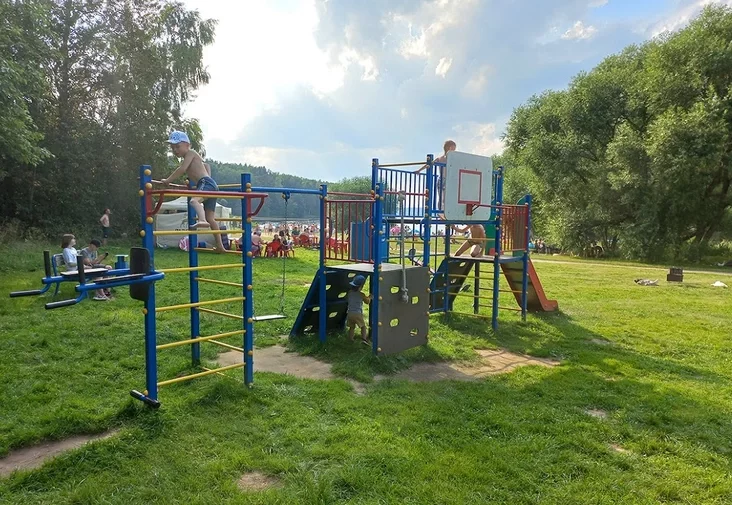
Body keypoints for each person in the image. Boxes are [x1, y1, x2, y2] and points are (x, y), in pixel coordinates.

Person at [161, 130, 226, 253]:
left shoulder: (190, 153)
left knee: (194, 201)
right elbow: (206, 165)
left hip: (206, 183)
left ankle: (202, 221)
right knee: (211, 218)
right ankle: (220, 246)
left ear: (187, 145)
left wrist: (168, 180)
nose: (175, 150)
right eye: (172, 147)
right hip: (209, 183)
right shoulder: (193, 157)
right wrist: (207, 179)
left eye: (178, 146)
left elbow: (182, 169)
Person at [415, 140, 457, 216]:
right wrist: (419, 170)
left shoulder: (450, 158)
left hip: (447, 180)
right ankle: (441, 213)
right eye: (453, 149)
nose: (454, 151)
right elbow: (429, 164)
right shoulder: (442, 158)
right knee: (441, 197)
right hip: (443, 180)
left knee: (446, 197)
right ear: (449, 148)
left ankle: (445, 212)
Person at [347, 275, 372, 343]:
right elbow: (367, 302)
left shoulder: (349, 293)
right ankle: (364, 339)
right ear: (361, 287)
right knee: (363, 327)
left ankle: (350, 339)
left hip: (349, 313)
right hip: (357, 314)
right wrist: (369, 297)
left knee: (352, 327)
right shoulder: (361, 294)